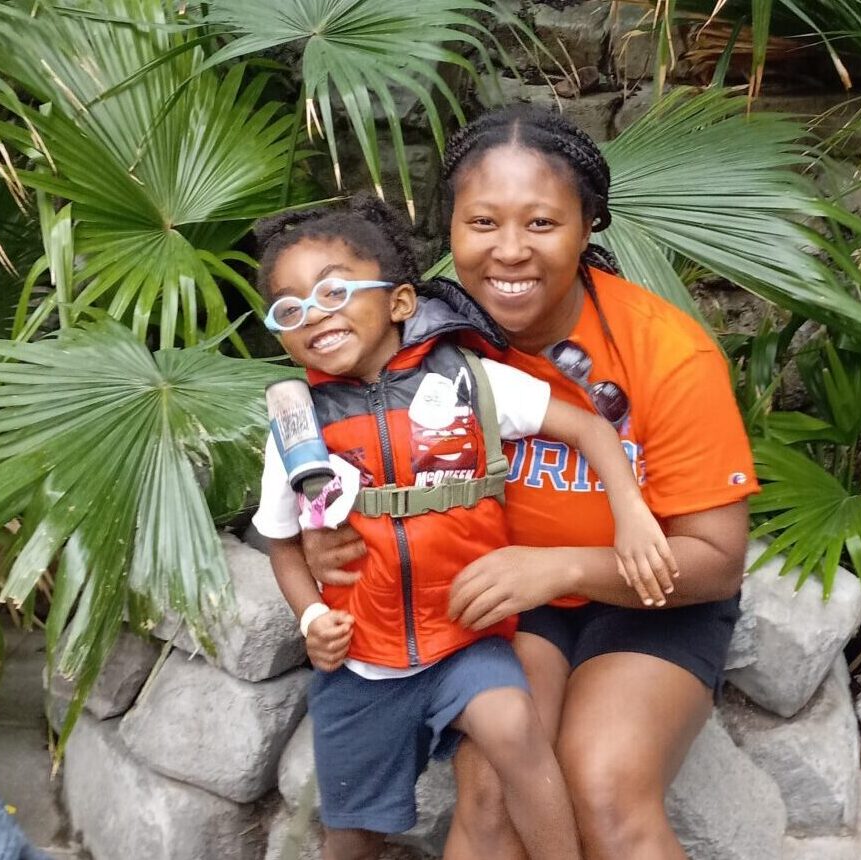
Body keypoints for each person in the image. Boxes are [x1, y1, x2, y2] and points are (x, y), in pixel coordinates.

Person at [299, 106, 759, 860]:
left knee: (602, 782)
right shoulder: (409, 337)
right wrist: (327, 539)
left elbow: (716, 560)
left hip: (650, 598)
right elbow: (338, 460)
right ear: (450, 228)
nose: (508, 252)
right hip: (506, 598)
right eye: (483, 223)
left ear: (587, 228)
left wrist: (565, 566)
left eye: (542, 224)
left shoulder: (668, 353)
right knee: (491, 793)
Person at [249, 196, 680, 860]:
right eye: (291, 308)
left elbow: (591, 427)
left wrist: (630, 511)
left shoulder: (470, 383)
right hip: (362, 660)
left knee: (515, 732)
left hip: (466, 634)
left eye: (334, 291)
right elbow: (282, 542)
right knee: (351, 834)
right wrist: (311, 620)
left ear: (398, 303)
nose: (315, 315)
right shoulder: (297, 426)